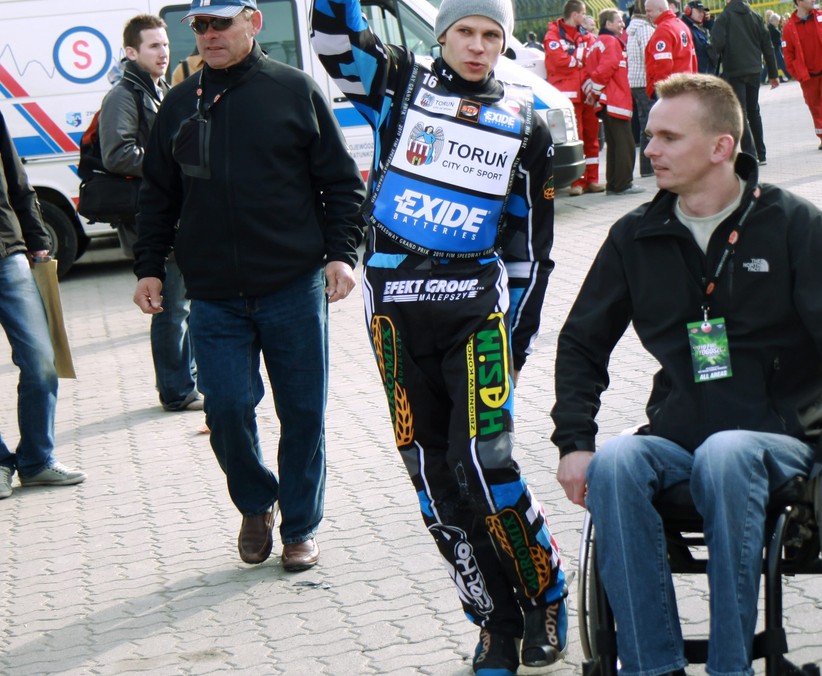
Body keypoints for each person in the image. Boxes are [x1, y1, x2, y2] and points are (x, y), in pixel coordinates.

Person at [552, 73, 822, 676]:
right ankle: (654, 668)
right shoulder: (636, 236)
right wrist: (575, 441)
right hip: (680, 438)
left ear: (720, 147)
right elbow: (580, 342)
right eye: (649, 135)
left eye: (667, 137)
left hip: (783, 440)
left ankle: (731, 667)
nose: (648, 149)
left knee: (727, 453)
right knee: (617, 462)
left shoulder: (794, 225)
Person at [311, 0, 570, 673]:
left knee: (486, 462)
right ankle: (493, 622)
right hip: (395, 312)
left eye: (492, 35)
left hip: (475, 312)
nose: (478, 46)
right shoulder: (399, 83)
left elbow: (532, 251)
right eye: (465, 32)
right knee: (432, 475)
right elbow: (333, 36)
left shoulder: (526, 118)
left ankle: (546, 593)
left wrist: (517, 339)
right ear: (444, 35)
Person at [133, 0, 366, 573]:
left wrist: (341, 255)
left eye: (221, 24)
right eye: (200, 26)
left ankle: (302, 527)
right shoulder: (179, 104)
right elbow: (157, 195)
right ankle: (257, 502)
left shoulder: (295, 91)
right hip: (212, 293)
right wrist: (148, 267)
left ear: (252, 23)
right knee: (229, 409)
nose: (209, 35)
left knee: (303, 412)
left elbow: (341, 184)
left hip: (293, 284)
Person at [101, 14, 200, 414]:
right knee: (171, 307)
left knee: (182, 305)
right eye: (154, 46)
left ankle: (185, 383)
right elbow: (117, 153)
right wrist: (170, 160)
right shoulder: (124, 95)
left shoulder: (155, 89)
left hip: (169, 213)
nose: (164, 52)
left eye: (165, 44)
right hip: (150, 218)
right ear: (131, 52)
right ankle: (176, 391)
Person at [0, 112, 88, 501]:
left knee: (40, 361)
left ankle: (36, 461)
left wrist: (37, 239)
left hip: (8, 253)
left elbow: (17, 178)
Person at [546, 0, 603, 195]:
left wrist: (573, 58)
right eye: (584, 13)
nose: (586, 16)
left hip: (587, 92)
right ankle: (576, 182)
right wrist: (578, 58)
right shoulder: (553, 34)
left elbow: (592, 58)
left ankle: (593, 179)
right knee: (576, 139)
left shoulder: (586, 36)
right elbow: (556, 60)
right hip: (567, 96)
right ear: (576, 14)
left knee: (592, 137)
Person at [710, 0, 778, 163]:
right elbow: (767, 46)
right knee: (754, 110)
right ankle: (761, 153)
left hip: (734, 71)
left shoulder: (724, 17)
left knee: (741, 112)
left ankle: (750, 154)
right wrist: (773, 74)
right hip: (755, 69)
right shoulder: (755, 16)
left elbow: (716, 45)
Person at [588, 8, 645, 195]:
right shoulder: (611, 42)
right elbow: (606, 68)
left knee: (614, 145)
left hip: (608, 100)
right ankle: (623, 184)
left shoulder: (599, 42)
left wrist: (595, 93)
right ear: (608, 24)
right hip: (615, 100)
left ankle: (613, 184)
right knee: (625, 144)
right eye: (619, 21)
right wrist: (596, 91)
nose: (622, 24)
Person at [782, 0, 822, 151]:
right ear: (799, 2)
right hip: (807, 75)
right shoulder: (789, 27)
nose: (813, 1)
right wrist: (797, 73)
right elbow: (788, 55)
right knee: (814, 105)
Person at [626, 0, 656, 177]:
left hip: (636, 80)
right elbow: (649, 54)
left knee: (645, 122)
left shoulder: (634, 27)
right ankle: (647, 167)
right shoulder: (645, 28)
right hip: (645, 80)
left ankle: (646, 167)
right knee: (649, 125)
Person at [644, 0, 698, 98]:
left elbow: (663, 64)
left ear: (660, 10)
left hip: (670, 90)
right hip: (686, 86)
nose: (647, 15)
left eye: (649, 11)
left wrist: (661, 90)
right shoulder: (682, 25)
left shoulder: (663, 30)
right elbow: (693, 57)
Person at [681, 1, 716, 75]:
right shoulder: (686, 29)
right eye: (699, 11)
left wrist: (709, 22)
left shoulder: (698, 28)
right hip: (698, 76)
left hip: (706, 74)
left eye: (703, 12)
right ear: (688, 11)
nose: (701, 14)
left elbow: (716, 35)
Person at [764, 12, 791, 82]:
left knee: (769, 65)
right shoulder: (773, 29)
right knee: (782, 63)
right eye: (778, 21)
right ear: (773, 21)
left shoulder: (769, 28)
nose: (778, 23)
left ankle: (762, 78)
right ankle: (789, 76)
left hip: (773, 49)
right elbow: (777, 41)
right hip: (775, 49)